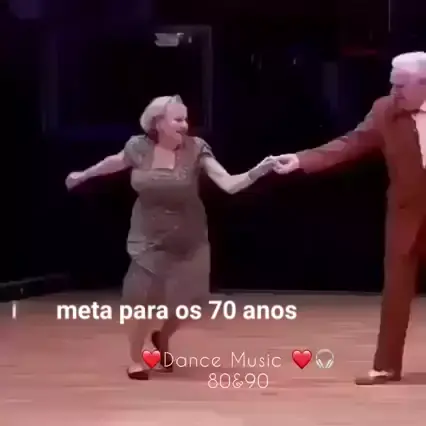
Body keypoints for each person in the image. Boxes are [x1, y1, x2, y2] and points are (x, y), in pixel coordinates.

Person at [65, 95, 276, 380]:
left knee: (189, 302)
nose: (185, 125)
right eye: (178, 119)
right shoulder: (138, 147)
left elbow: (228, 183)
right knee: (142, 298)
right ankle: (135, 359)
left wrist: (259, 170)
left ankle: (162, 337)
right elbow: (114, 162)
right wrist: (84, 175)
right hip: (148, 235)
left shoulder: (196, 148)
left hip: (189, 237)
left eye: (186, 119)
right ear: (158, 122)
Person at [273, 52, 426, 385]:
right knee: (396, 290)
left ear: (424, 83)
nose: (394, 91)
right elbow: (350, 143)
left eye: (400, 86)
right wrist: (301, 160)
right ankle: (386, 366)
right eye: (392, 84)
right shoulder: (384, 110)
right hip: (406, 212)